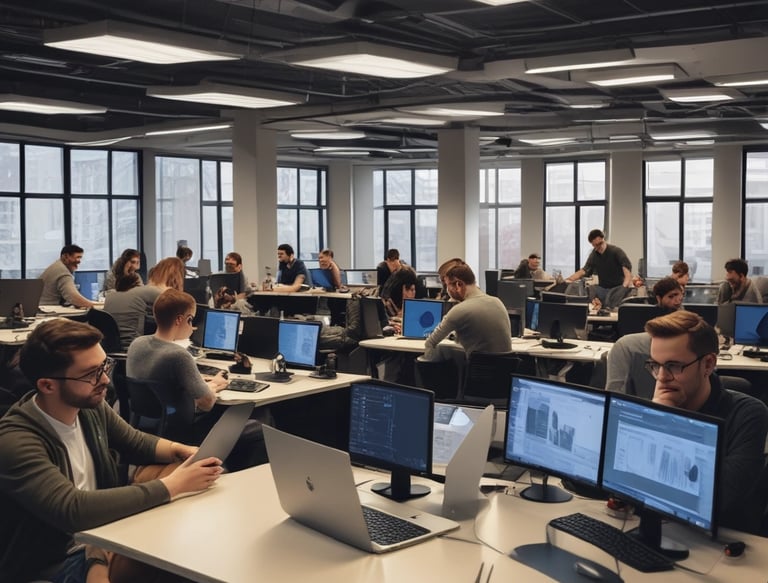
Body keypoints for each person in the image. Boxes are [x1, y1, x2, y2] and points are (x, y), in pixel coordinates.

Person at [0, 318, 223, 582]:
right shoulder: (14, 439)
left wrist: (181, 450)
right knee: (164, 558)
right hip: (55, 557)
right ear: (47, 385)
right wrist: (172, 486)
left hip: (100, 532)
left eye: (105, 365)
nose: (105, 379)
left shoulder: (89, 406)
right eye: (91, 373)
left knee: (187, 508)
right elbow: (74, 510)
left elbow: (136, 441)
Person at [644, 310, 768, 534]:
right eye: (655, 365)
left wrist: (667, 422)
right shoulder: (659, 400)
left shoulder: (748, 415)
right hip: (664, 531)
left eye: (673, 366)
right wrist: (657, 417)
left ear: (708, 364)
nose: (661, 377)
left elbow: (719, 500)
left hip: (721, 543)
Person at [127, 289, 267, 469]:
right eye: (191, 320)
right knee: (258, 425)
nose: (192, 327)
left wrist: (202, 382)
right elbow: (206, 403)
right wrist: (215, 386)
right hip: (182, 433)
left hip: (149, 429)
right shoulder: (178, 355)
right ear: (180, 320)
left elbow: (162, 382)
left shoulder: (137, 344)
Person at [422, 264, 512, 363]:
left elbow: (430, 343)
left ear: (458, 285)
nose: (447, 291)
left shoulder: (460, 310)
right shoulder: (498, 302)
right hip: (503, 373)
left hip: (476, 372)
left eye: (447, 285)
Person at [103, 257, 185, 350]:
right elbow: (182, 316)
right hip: (134, 351)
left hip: (112, 352)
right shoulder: (155, 293)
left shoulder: (115, 294)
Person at [565, 229, 633, 309]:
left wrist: (623, 288)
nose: (599, 247)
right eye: (595, 245)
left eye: (600, 243)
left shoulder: (616, 252)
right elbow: (584, 270)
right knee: (588, 290)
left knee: (612, 302)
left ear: (604, 239)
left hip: (617, 288)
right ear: (592, 245)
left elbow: (627, 271)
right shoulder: (594, 255)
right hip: (602, 289)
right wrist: (569, 279)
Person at [38, 244, 96, 308]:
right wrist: (94, 306)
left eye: (80, 258)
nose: (79, 261)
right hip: (49, 310)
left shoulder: (56, 266)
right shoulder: (62, 272)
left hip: (42, 308)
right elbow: (73, 297)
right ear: (65, 256)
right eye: (77, 257)